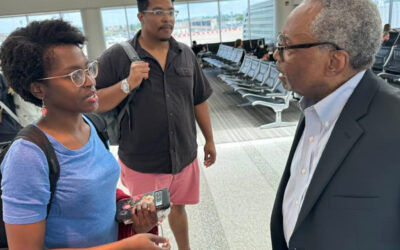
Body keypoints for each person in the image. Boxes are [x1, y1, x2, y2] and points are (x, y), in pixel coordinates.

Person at [0, 19, 169, 249]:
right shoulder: (28, 156)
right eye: (74, 76)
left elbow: (94, 208)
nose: (90, 81)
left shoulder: (93, 125)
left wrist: (134, 224)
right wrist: (125, 247)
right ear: (38, 88)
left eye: (88, 68)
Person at [270, 0, 400, 249]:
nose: (277, 54)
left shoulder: (395, 124)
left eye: (286, 45)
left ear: (334, 62)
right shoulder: (315, 105)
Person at [95, 0, 216, 249]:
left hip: (183, 155)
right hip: (143, 161)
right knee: (146, 220)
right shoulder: (117, 56)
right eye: (158, 12)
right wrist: (127, 83)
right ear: (141, 16)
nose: (167, 19)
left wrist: (210, 139)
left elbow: (199, 99)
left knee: (178, 207)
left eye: (171, 12)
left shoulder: (185, 54)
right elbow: (94, 102)